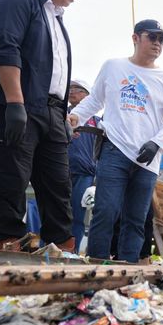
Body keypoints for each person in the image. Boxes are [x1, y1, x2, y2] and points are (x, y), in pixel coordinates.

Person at [0, 0, 98, 251]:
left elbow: (55, 75)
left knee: (58, 186)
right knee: (12, 178)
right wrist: (15, 104)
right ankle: (5, 247)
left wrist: (61, 116)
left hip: (50, 113)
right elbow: (4, 48)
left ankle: (61, 251)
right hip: (18, 104)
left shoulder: (58, 20)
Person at [69, 19, 163, 263]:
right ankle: (97, 267)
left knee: (135, 219)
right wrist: (75, 117)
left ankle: (127, 270)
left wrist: (157, 144)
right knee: (105, 211)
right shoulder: (113, 67)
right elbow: (94, 101)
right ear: (135, 38)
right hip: (114, 150)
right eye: (152, 37)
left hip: (147, 158)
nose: (157, 43)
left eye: (161, 39)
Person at [67, 79, 100, 253]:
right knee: (56, 212)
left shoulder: (97, 121)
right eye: (70, 88)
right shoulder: (60, 115)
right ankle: (49, 248)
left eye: (77, 89)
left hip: (85, 173)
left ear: (87, 95)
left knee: (78, 216)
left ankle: (71, 252)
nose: (72, 91)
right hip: (61, 171)